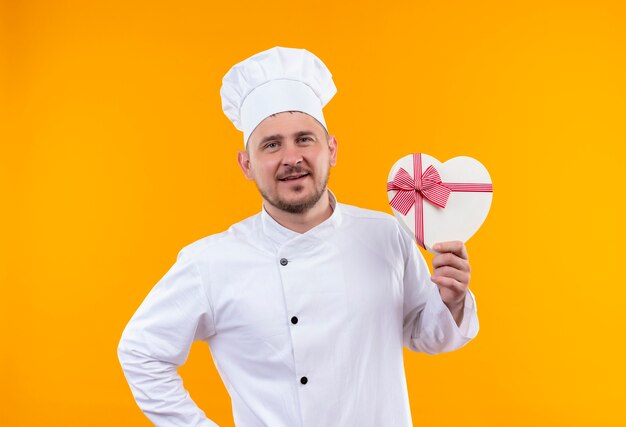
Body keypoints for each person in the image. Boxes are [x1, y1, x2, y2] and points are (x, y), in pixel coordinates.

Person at [117, 46, 479, 427]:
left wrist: (451, 301)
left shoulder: (387, 233)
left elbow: (427, 336)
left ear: (332, 150)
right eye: (271, 145)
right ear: (246, 164)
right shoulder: (209, 262)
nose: (291, 158)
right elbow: (141, 351)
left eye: (304, 139)